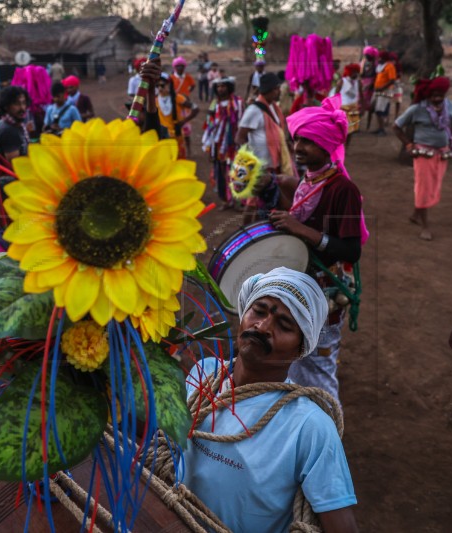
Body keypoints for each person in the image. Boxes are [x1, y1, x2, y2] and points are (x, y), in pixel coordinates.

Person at [183, 267, 358, 533]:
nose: (263, 327)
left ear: (301, 348)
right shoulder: (203, 374)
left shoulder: (310, 427)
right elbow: (155, 435)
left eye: (284, 325)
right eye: (259, 311)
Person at [268, 96, 363, 403]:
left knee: (320, 368)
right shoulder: (310, 180)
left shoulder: (343, 189)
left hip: (325, 293)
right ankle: (300, 423)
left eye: (308, 141)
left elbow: (350, 251)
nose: (298, 147)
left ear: (327, 145)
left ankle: (328, 433)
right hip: (303, 286)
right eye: (296, 140)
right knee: (296, 358)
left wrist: (302, 230)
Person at [393, 76, 452, 241]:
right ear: (427, 95)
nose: (437, 99)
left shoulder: (449, 105)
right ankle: (425, 227)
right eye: (434, 95)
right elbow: (397, 126)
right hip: (423, 153)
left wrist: (451, 140)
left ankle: (415, 214)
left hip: (442, 153)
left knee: (432, 186)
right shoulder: (417, 109)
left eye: (440, 95)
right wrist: (408, 145)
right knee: (423, 187)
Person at [236, 72, 294, 177]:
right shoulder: (254, 110)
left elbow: (278, 130)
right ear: (270, 90)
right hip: (260, 168)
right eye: (277, 88)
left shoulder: (273, 107)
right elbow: (240, 138)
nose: (279, 91)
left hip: (274, 165)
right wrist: (251, 161)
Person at [202, 77, 244, 209]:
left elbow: (242, 122)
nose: (221, 88)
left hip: (235, 144)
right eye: (218, 86)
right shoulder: (214, 105)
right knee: (220, 173)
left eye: (223, 86)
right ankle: (226, 200)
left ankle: (238, 201)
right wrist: (210, 148)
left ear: (229, 87)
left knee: (237, 172)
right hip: (219, 146)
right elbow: (210, 127)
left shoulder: (238, 103)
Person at [156, 72, 198, 159]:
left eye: (162, 85)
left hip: (176, 135)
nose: (159, 88)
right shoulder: (155, 100)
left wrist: (183, 122)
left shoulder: (178, 98)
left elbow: (195, 108)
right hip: (163, 136)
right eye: (157, 86)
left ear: (169, 85)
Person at [0, 85, 30, 162]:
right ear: (6, 106)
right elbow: (15, 165)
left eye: (24, 103)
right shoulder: (9, 131)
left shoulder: (16, 125)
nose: (22, 108)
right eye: (17, 104)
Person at [371, 51, 397, 135]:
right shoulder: (380, 66)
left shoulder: (390, 66)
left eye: (380, 58)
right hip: (377, 90)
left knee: (380, 110)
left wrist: (382, 87)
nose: (378, 59)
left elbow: (392, 80)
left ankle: (382, 129)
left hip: (385, 91)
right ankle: (379, 128)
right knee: (376, 109)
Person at [337, 63, 363, 146]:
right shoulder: (342, 81)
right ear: (349, 72)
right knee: (341, 130)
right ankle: (339, 147)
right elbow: (335, 95)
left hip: (353, 108)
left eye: (357, 72)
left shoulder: (358, 82)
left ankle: (346, 147)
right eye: (354, 72)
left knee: (351, 130)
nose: (356, 74)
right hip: (343, 108)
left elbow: (361, 95)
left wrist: (363, 106)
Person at [360, 46, 378, 128]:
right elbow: (361, 74)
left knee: (370, 107)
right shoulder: (364, 62)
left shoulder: (375, 64)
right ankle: (359, 125)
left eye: (368, 55)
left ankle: (368, 125)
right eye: (366, 55)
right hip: (364, 84)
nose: (367, 56)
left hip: (371, 86)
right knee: (361, 106)